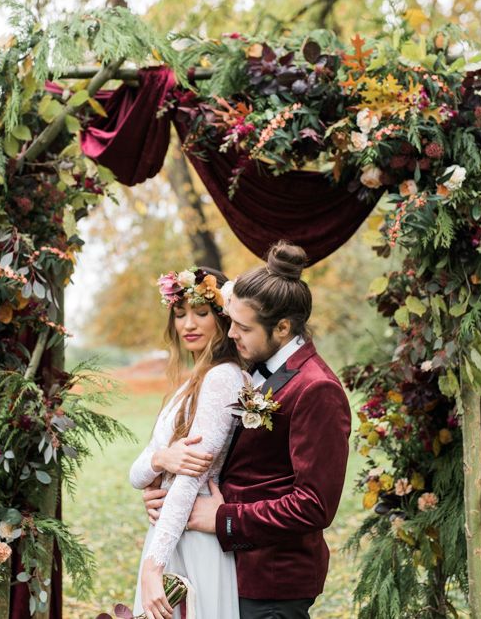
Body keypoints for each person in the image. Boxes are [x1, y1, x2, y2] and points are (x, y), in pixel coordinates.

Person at [143, 241, 351, 619]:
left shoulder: (317, 388)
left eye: (242, 326)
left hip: (272, 582)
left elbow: (314, 506)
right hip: (230, 571)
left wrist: (222, 518)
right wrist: (172, 493)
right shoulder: (254, 368)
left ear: (283, 327)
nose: (231, 333)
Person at [129, 266, 244, 619]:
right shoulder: (189, 383)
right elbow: (136, 474)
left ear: (222, 318)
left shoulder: (223, 377)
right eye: (180, 315)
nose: (189, 325)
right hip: (169, 531)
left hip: (193, 532)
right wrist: (162, 459)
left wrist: (153, 566)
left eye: (201, 313)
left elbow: (192, 477)